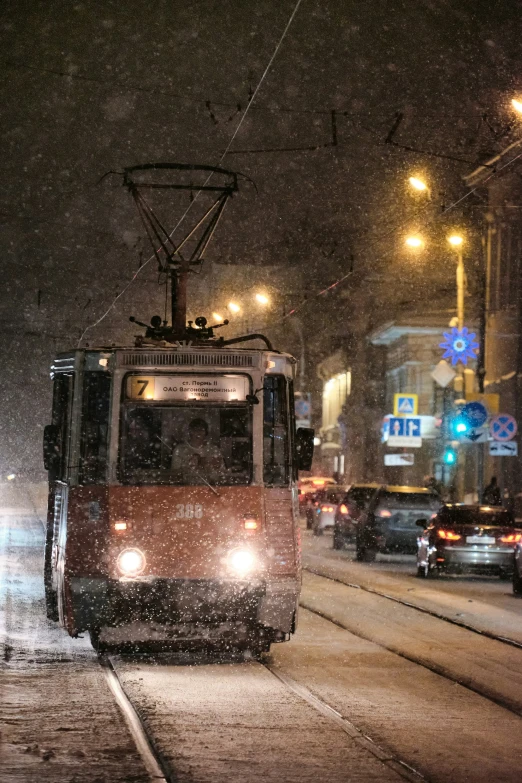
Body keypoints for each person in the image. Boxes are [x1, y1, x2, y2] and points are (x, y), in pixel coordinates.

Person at [171, 418, 226, 484]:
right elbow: (174, 474)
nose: (198, 433)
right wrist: (188, 466)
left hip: (210, 489)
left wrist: (208, 466)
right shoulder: (180, 450)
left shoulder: (214, 450)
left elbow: (222, 473)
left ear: (206, 433)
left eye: (201, 430)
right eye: (195, 430)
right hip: (186, 488)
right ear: (190, 432)